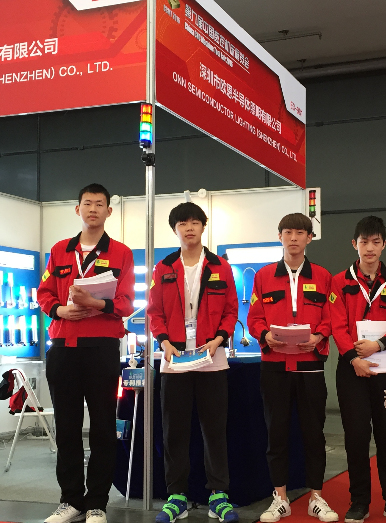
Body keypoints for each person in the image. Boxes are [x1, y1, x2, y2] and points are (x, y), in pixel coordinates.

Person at [37, 183, 135, 523]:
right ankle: (71, 501)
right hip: (63, 348)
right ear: (77, 209)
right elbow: (44, 292)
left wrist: (96, 303)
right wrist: (59, 311)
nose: (93, 209)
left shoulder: (121, 253)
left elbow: (126, 302)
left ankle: (97, 504)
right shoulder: (60, 250)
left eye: (99, 204)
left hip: (101, 349)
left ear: (109, 211)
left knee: (103, 428)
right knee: (66, 429)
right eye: (87, 203)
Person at [146, 202, 240, 523]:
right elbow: (154, 311)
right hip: (174, 360)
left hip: (212, 359)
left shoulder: (220, 267)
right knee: (174, 431)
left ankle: (218, 495)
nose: (189, 228)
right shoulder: (163, 268)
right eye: (182, 223)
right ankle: (177, 497)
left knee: (214, 430)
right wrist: (164, 342)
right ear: (175, 230)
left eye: (194, 222)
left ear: (203, 226)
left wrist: (219, 339)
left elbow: (231, 310)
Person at [247, 213, 338, 523]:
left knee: (314, 434)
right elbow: (255, 316)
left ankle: (316, 497)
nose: (294, 238)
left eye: (300, 233)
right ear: (280, 236)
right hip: (274, 366)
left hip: (310, 366)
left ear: (309, 238)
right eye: (288, 232)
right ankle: (280, 498)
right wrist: (264, 335)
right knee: (277, 433)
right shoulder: (263, 276)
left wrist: (319, 336)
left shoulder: (323, 276)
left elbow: (331, 315)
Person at [328, 216, 386, 523]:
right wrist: (354, 358)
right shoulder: (339, 282)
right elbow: (337, 325)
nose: (369, 248)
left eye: (375, 242)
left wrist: (378, 345)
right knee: (356, 436)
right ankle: (359, 501)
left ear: (384, 245)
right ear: (354, 244)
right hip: (351, 368)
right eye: (364, 242)